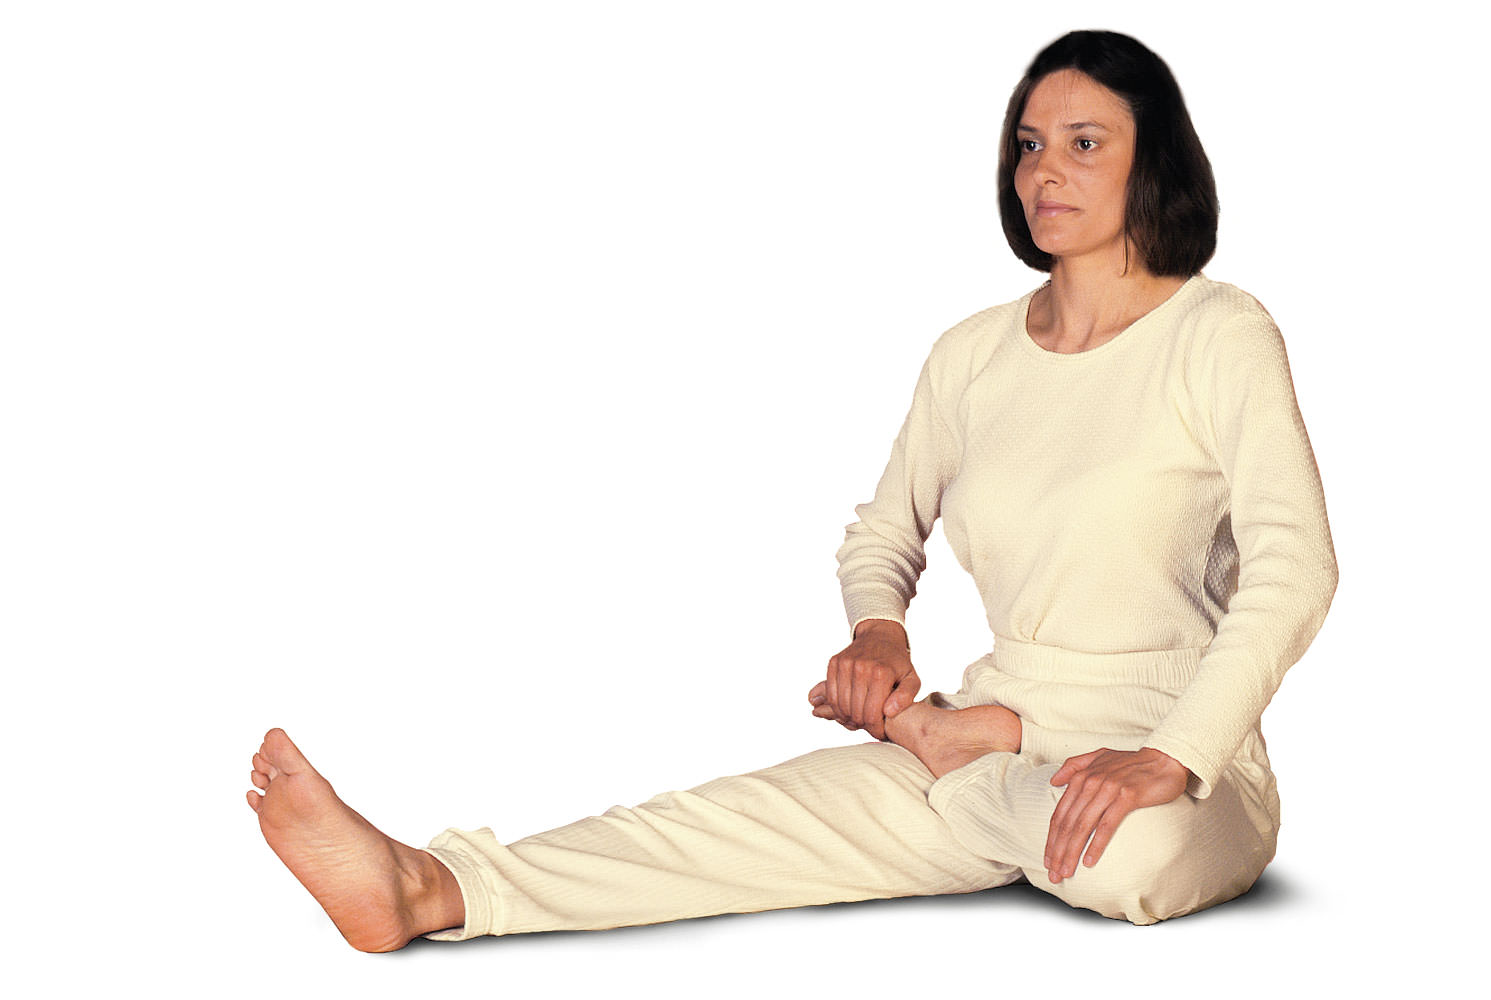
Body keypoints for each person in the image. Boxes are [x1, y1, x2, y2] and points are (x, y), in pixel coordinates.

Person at [247, 29, 1336, 952]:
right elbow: (883, 532)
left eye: (1083, 143)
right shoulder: (972, 354)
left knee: (1127, 861)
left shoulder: (1219, 333)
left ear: (1154, 162)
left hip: (1170, 743)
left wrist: (1169, 756)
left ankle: (960, 752)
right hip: (1001, 715)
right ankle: (430, 887)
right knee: (739, 823)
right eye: (1029, 145)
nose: (1044, 169)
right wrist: (877, 633)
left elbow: (1295, 569)